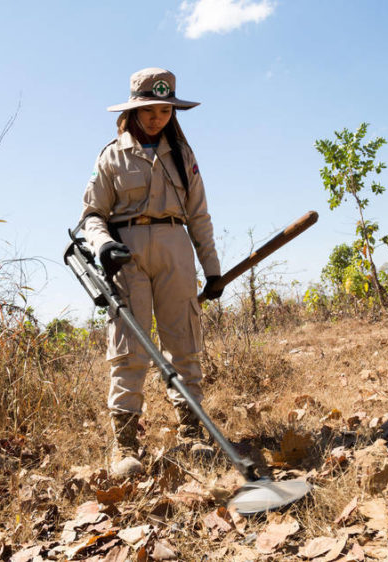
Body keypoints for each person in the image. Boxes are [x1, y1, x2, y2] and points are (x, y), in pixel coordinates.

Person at [79, 67, 223, 477]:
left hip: (177, 249)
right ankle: (125, 444)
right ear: (134, 110)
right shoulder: (111, 156)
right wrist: (104, 245)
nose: (157, 117)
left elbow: (199, 215)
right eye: (150, 109)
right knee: (130, 347)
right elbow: (92, 215)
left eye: (165, 110)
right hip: (127, 254)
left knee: (184, 341)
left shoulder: (183, 155)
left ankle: (192, 433)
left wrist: (212, 270)